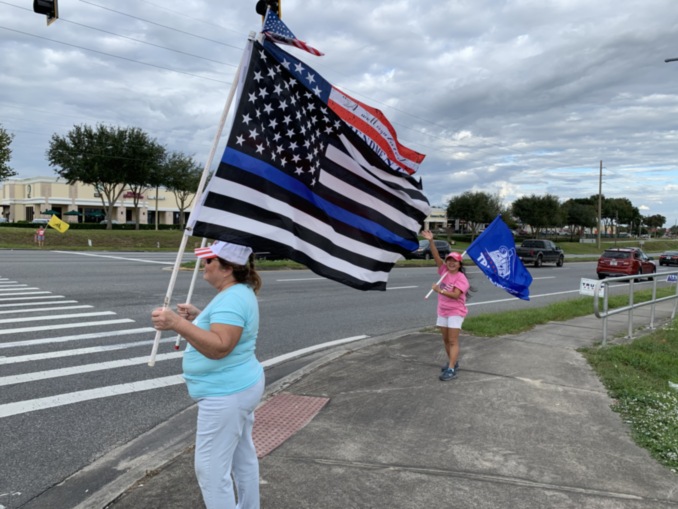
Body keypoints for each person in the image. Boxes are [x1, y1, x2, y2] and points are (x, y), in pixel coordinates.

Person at [151, 240, 264, 509]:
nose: (204, 264)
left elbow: (220, 347)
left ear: (227, 268)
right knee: (242, 458)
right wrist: (199, 317)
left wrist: (177, 323)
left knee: (211, 471)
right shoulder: (236, 292)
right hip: (238, 386)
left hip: (225, 393)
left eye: (210, 260)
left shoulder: (233, 298)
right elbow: (227, 330)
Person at [421, 230, 470, 382]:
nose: (451, 262)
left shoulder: (461, 278)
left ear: (459, 263)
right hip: (442, 311)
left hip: (455, 312)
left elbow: (455, 295)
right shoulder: (444, 271)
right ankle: (453, 363)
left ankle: (451, 369)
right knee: (445, 340)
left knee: (453, 340)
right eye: (449, 260)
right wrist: (431, 241)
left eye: (454, 261)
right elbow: (436, 257)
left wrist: (439, 290)